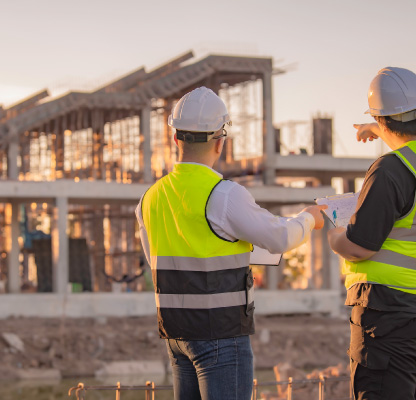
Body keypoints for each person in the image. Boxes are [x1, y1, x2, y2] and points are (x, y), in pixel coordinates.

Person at [136, 86, 326, 400]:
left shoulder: (150, 198)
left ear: (175, 138)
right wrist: (309, 218)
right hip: (220, 334)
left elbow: (165, 259)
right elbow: (279, 237)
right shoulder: (224, 195)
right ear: (221, 142)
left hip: (176, 333)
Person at [327, 67, 416, 399]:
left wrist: (334, 232)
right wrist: (382, 127)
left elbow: (360, 246)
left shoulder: (392, 168)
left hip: (389, 316)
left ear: (384, 121)